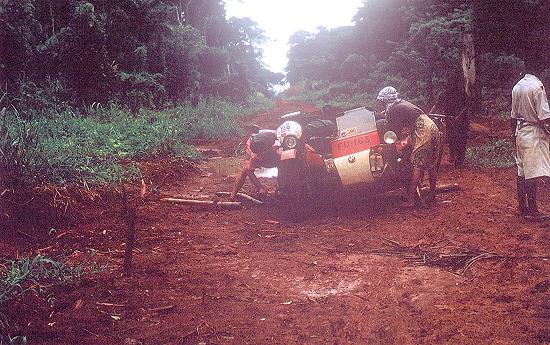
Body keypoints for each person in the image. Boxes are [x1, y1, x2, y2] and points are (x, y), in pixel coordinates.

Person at [377, 86, 442, 207]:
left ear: (385, 100)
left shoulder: (392, 109)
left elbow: (390, 128)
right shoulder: (400, 103)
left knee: (417, 164)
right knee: (430, 163)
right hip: (431, 125)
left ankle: (411, 200)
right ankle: (432, 194)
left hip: (423, 129)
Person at [511, 70, 550, 221]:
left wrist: (513, 136)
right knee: (533, 172)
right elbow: (545, 116)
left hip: (520, 132)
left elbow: (513, 116)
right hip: (533, 132)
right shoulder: (537, 87)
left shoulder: (517, 86)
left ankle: (522, 207)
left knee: (522, 171)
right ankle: (533, 210)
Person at [230, 125, 281, 200]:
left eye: (261, 153)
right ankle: (232, 196)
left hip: (275, 150)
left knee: (282, 165)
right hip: (257, 145)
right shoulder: (253, 151)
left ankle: (283, 190)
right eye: (258, 153)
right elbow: (250, 172)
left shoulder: (279, 146)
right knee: (245, 170)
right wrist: (260, 187)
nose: (259, 155)